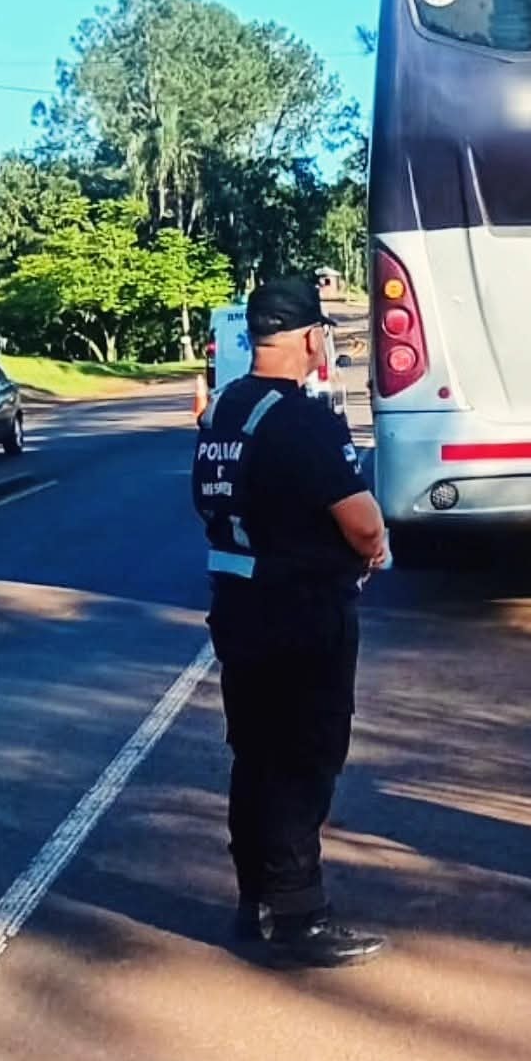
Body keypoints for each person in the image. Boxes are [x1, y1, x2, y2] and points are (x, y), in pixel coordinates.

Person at [191, 275, 388, 967]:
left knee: (256, 757)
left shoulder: (223, 413)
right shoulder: (301, 418)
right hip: (302, 615)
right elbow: (362, 524)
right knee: (304, 762)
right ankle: (299, 914)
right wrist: (374, 549)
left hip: (240, 610)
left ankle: (259, 901)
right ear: (310, 337)